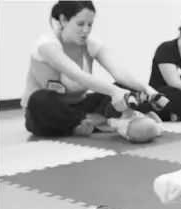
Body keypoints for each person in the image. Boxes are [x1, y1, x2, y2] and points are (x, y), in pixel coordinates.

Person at [21, 1, 168, 138]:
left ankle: (88, 123)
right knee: (39, 99)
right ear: (63, 20)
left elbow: (118, 72)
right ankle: (92, 122)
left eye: (90, 24)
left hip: (79, 106)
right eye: (80, 24)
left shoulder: (91, 43)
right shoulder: (47, 44)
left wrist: (148, 90)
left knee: (121, 87)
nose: (86, 30)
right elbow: (77, 75)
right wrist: (113, 92)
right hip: (45, 113)